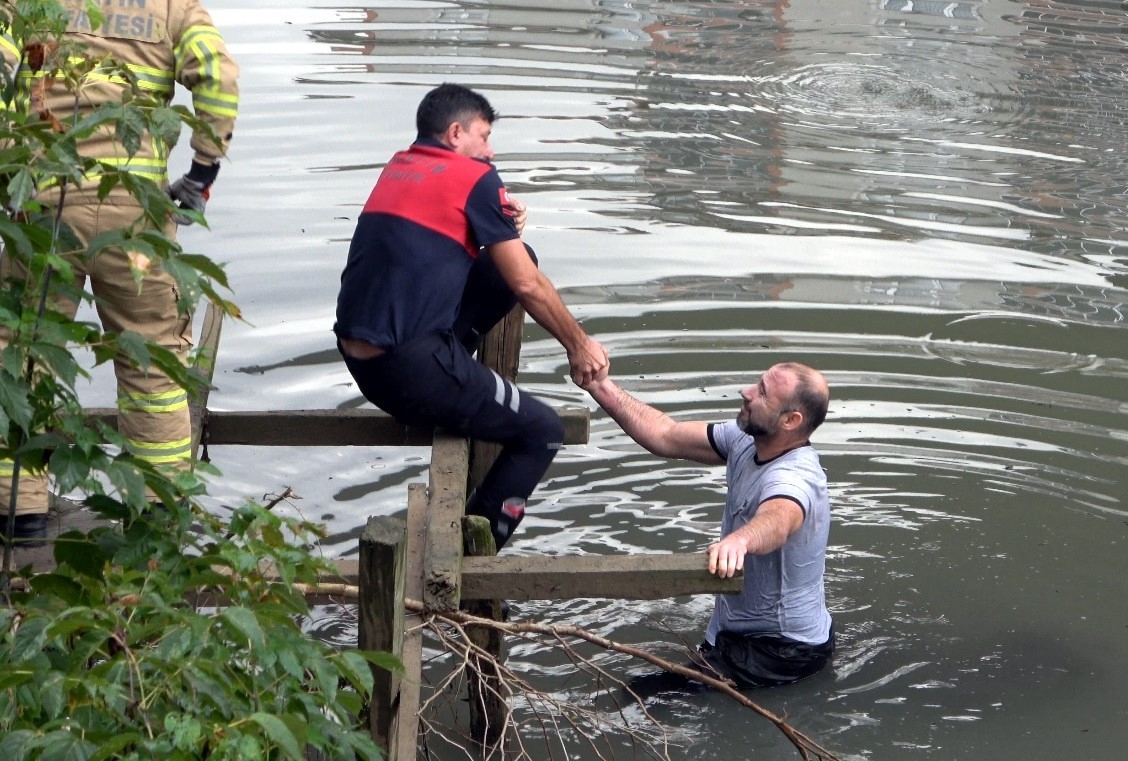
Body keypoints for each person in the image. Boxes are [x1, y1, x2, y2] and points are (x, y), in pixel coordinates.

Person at [0, 0, 239, 544]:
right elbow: (219, 75)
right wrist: (202, 173)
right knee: (154, 361)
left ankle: (17, 514)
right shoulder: (172, 6)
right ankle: (159, 516)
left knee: (20, 350)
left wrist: (9, 165)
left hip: (44, 207)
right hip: (136, 212)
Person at [335, 83, 609, 550]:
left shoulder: (401, 167)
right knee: (543, 430)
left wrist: (501, 226)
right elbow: (527, 286)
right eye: (484, 137)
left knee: (514, 259)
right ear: (456, 133)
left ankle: (456, 369)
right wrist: (579, 345)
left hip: (363, 357)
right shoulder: (475, 177)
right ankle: (470, 555)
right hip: (406, 371)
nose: (490, 150)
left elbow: (456, 249)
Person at [585, 362, 834, 688]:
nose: (745, 392)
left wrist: (740, 540)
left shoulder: (795, 476)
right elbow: (666, 435)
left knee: (640, 694)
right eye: (756, 383)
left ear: (790, 420)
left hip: (783, 650)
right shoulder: (746, 441)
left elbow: (779, 519)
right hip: (738, 634)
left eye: (761, 393)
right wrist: (600, 386)